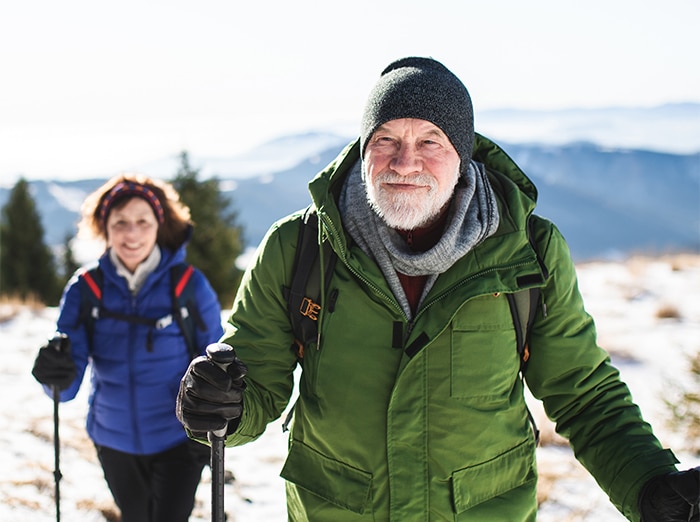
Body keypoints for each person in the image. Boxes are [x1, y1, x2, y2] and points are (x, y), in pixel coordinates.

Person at [175, 57, 699, 521]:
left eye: (430, 141)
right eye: (386, 140)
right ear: (364, 150)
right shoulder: (299, 248)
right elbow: (255, 381)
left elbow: (583, 393)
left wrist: (648, 486)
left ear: (463, 153)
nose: (405, 163)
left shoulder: (528, 252)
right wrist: (220, 409)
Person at [32, 173, 224, 522]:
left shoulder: (188, 286)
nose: (131, 233)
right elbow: (66, 384)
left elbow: (214, 358)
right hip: (113, 439)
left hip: (179, 438)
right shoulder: (85, 288)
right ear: (104, 227)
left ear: (159, 225)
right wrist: (52, 373)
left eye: (142, 221)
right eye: (120, 222)